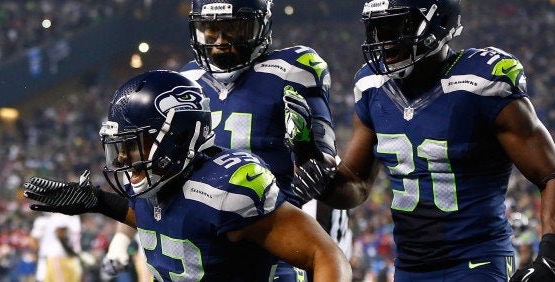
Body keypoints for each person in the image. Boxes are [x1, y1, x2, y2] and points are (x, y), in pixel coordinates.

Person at [282, 0, 555, 281]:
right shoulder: (372, 88)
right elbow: (355, 186)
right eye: (377, 28)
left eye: (396, 25)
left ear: (438, 21)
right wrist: (316, 170)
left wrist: (549, 260)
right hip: (410, 267)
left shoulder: (480, 84)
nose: (385, 40)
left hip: (477, 262)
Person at [104, 0, 351, 280]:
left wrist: (308, 152)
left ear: (260, 25)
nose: (220, 42)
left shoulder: (290, 70)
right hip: (205, 229)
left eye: (233, 30)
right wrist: (118, 231)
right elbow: (155, 178)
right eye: (210, 30)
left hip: (274, 229)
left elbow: (322, 165)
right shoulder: (186, 81)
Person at [23, 70, 352, 281]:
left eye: (135, 144)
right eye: (119, 146)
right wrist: (98, 201)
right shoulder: (158, 184)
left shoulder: (228, 188)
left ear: (178, 136)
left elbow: (325, 255)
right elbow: (170, 224)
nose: (123, 158)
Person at [30, 212, 82, 282]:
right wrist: (72, 252)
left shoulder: (73, 217)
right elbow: (60, 233)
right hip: (59, 257)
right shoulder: (58, 217)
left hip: (66, 257)